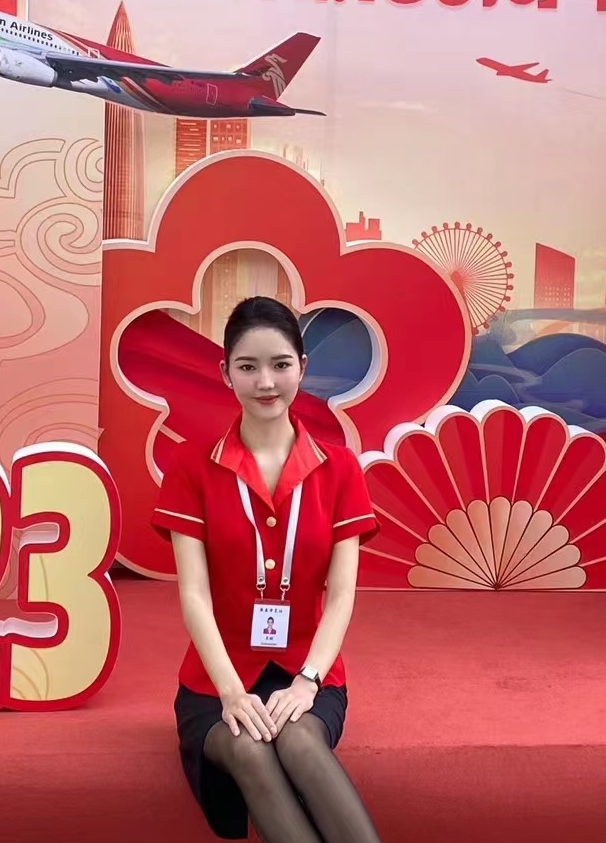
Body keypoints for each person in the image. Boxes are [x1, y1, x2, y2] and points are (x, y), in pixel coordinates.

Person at [152, 296, 384, 843]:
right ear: (225, 372)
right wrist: (232, 693)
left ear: (302, 367)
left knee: (300, 741)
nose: (265, 382)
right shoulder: (192, 466)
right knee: (250, 749)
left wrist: (308, 682)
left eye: (280, 365)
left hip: (309, 671)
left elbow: (342, 595)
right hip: (216, 679)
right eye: (247, 366)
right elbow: (194, 596)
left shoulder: (339, 468)